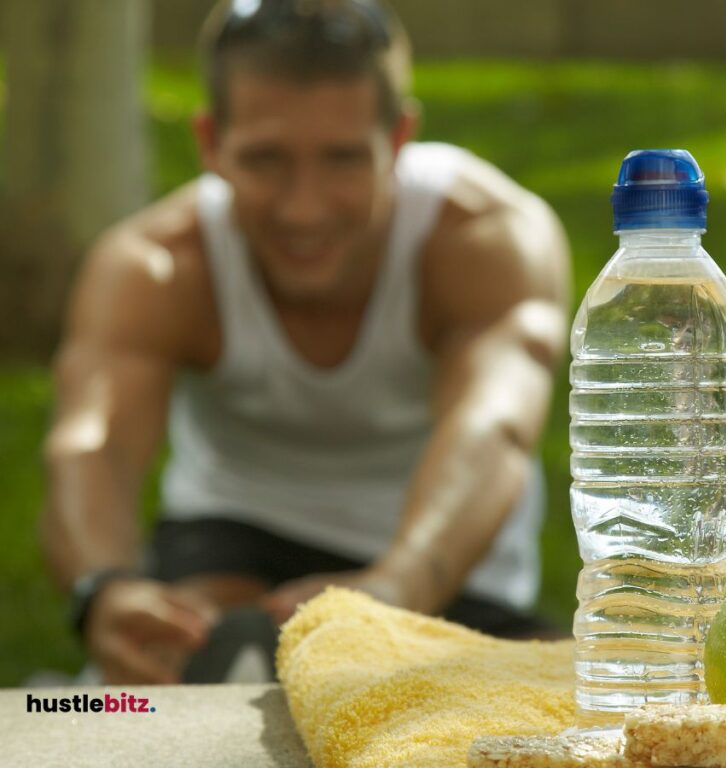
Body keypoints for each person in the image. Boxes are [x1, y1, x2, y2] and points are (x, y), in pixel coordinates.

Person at [41, 0, 570, 685]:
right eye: (265, 160)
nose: (304, 207)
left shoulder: (487, 239)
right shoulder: (156, 265)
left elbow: (492, 430)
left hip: (441, 570)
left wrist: (401, 585)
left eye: (343, 160)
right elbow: (93, 443)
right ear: (209, 143)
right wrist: (105, 588)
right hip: (229, 550)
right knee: (210, 658)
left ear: (400, 137)